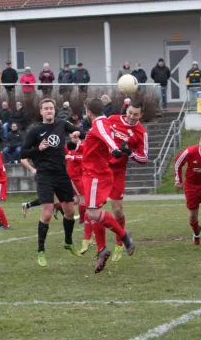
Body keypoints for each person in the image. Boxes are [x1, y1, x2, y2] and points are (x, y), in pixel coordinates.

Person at [70, 98, 135, 274]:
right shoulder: (106, 123)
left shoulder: (99, 123)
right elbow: (97, 143)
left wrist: (114, 148)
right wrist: (77, 145)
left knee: (92, 212)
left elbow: (106, 139)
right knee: (94, 214)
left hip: (95, 175)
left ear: (88, 112)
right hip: (94, 173)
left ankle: (123, 235)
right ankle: (101, 249)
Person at [80, 101, 148, 261]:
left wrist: (128, 152)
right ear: (126, 110)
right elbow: (100, 133)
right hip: (102, 167)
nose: (131, 117)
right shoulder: (112, 119)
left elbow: (144, 157)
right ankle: (101, 247)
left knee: (114, 209)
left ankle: (120, 242)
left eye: (135, 114)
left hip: (115, 171)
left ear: (141, 115)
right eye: (130, 112)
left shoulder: (141, 132)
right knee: (94, 210)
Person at [20, 98, 82, 267]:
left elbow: (79, 132)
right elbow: (23, 153)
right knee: (47, 213)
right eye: (46, 108)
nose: (49, 111)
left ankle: (68, 242)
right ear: (41, 112)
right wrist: (37, 149)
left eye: (51, 108)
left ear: (54, 111)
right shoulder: (35, 131)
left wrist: (77, 134)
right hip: (45, 175)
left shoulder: (61, 124)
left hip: (62, 175)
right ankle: (41, 250)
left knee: (69, 211)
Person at [65, 133, 86, 225]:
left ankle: (58, 206)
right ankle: (82, 219)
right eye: (72, 134)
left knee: (78, 200)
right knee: (83, 199)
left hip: (85, 175)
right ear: (69, 135)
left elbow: (86, 158)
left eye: (76, 133)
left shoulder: (84, 145)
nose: (75, 135)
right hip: (74, 177)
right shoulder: (66, 147)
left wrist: (73, 157)